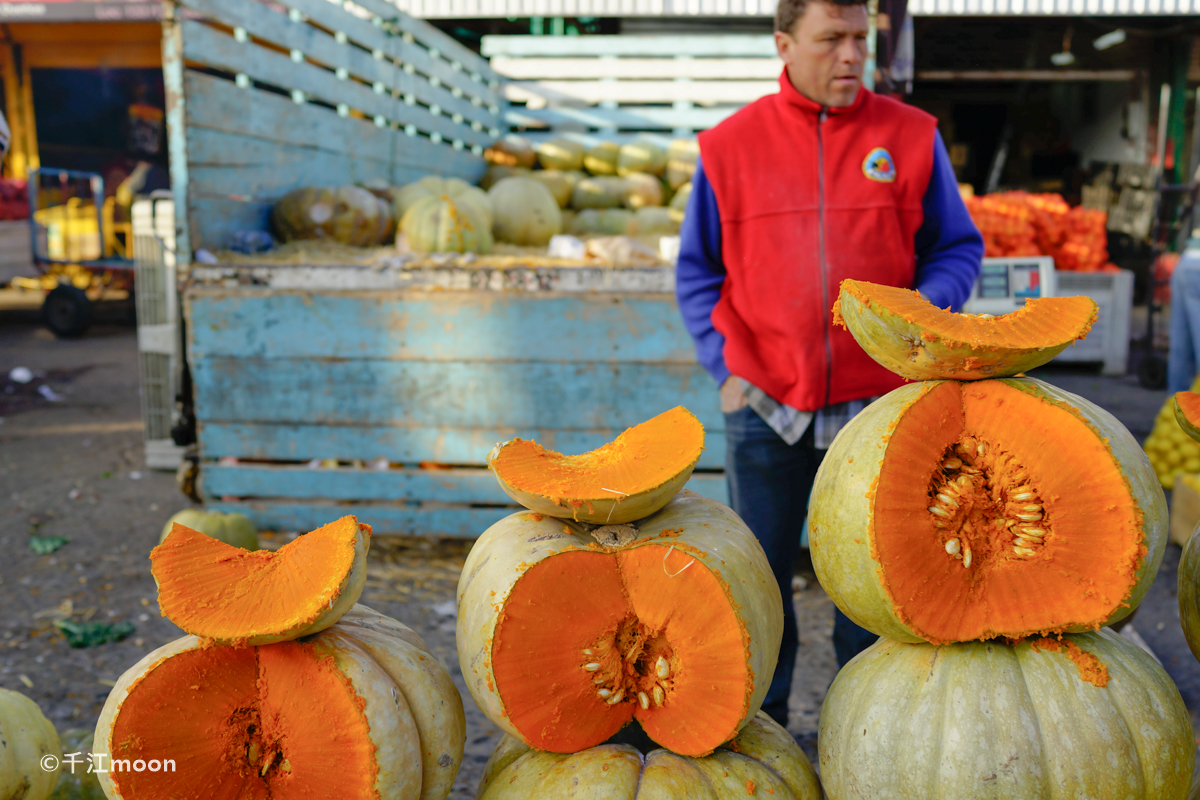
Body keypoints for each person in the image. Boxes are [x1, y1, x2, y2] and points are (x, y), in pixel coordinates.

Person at [675, 0, 984, 729]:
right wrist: (726, 369)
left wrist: (916, 310)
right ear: (784, 44)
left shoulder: (910, 137)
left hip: (881, 408)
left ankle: (866, 735)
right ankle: (765, 738)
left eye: (860, 40)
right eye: (831, 40)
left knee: (876, 590)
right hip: (765, 405)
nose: (851, 55)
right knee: (760, 590)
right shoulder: (728, 146)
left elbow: (957, 248)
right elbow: (697, 272)